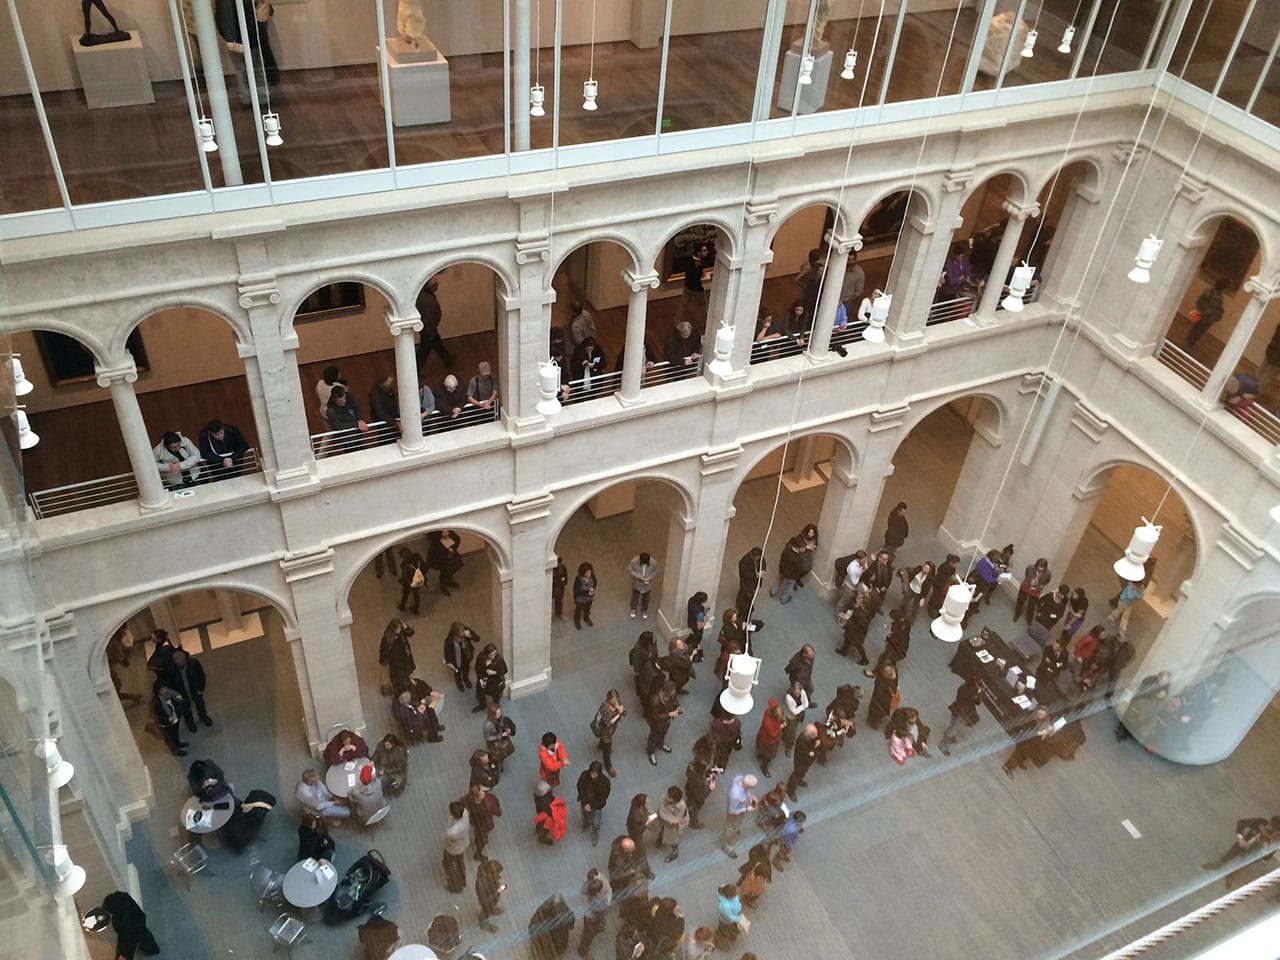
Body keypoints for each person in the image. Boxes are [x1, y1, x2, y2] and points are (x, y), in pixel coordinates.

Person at [83, 891, 160, 960]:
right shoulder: (122, 896)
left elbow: (124, 937)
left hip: (131, 930)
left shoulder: (120, 922)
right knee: (144, 934)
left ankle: (149, 948)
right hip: (139, 918)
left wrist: (122, 952)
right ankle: (153, 949)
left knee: (127, 950)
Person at [1201, 816, 1280, 870]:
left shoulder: (1276, 841)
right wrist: (1241, 838)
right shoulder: (1260, 822)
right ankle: (1218, 864)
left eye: (1272, 829)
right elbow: (1241, 823)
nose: (1268, 827)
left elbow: (1267, 858)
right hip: (1243, 844)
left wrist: (1267, 845)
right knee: (1229, 855)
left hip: (1253, 854)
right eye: (1269, 824)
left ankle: (1232, 874)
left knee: (1240, 865)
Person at [165, 649, 212, 731]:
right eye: (179, 665)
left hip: (195, 690)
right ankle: (189, 721)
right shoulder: (171, 671)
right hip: (182, 693)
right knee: (185, 708)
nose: (182, 666)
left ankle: (203, 715)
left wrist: (201, 689)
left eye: (183, 663)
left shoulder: (194, 664)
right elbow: (170, 684)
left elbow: (201, 676)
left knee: (200, 704)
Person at [770, 527, 817, 604]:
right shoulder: (798, 558)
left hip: (782, 570)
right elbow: (799, 568)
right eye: (802, 548)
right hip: (791, 576)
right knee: (789, 588)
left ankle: (773, 592)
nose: (803, 549)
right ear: (797, 548)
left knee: (778, 581)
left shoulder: (787, 549)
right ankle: (784, 599)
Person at [415, 276, 453, 369]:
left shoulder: (422, 295)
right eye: (435, 285)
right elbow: (430, 318)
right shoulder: (430, 301)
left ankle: (447, 360)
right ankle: (416, 369)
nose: (438, 285)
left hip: (426, 327)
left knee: (438, 345)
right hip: (428, 329)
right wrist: (431, 332)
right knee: (424, 350)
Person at [1185, 276, 1231, 353]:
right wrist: (1203, 312)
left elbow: (1202, 302)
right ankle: (1189, 345)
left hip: (1206, 316)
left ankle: (1190, 343)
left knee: (1197, 331)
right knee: (1197, 331)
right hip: (1205, 317)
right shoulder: (1214, 294)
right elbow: (1207, 305)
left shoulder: (1213, 293)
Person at [938, 677, 982, 756]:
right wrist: (977, 694)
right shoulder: (974, 692)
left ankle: (948, 736)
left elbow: (960, 698)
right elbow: (978, 702)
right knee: (954, 728)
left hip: (956, 708)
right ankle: (943, 746)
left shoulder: (962, 687)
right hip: (963, 712)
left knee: (953, 724)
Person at [529, 891, 577, 960]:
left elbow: (531, 927)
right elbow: (571, 924)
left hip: (543, 943)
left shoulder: (541, 913)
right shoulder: (563, 913)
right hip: (551, 945)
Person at [646, 681, 683, 765]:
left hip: (666, 721)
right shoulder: (654, 701)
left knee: (663, 733)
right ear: (664, 692)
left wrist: (678, 706)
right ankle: (651, 752)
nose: (672, 697)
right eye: (670, 695)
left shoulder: (672, 695)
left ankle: (660, 744)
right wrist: (669, 715)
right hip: (656, 723)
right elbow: (655, 717)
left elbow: (675, 701)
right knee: (653, 736)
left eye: (673, 695)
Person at [721, 773, 758, 859]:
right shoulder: (735, 795)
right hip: (735, 813)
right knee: (731, 828)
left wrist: (749, 796)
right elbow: (732, 810)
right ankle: (727, 846)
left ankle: (735, 829)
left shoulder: (740, 777)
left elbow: (745, 792)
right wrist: (746, 809)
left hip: (740, 808)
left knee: (737, 824)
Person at [576, 760, 611, 847]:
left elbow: (603, 797)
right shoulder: (584, 775)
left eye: (594, 774)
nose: (592, 776)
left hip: (596, 806)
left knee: (596, 822)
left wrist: (592, 806)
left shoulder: (605, 782)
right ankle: (586, 825)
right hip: (585, 801)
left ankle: (595, 835)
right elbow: (580, 787)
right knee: (584, 815)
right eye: (591, 773)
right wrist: (585, 802)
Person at [591, 688, 626, 776]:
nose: (615, 702)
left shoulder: (618, 703)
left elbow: (624, 713)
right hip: (604, 729)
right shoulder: (604, 707)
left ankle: (600, 745)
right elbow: (608, 723)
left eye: (617, 699)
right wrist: (619, 714)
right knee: (606, 748)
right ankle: (609, 767)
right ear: (608, 699)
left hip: (611, 729)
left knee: (607, 738)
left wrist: (620, 710)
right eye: (613, 700)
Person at [579, 867, 612, 957]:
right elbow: (584, 897)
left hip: (600, 910)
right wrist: (588, 913)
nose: (600, 878)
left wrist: (607, 903)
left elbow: (608, 891)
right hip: (592, 913)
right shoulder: (588, 887)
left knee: (599, 920)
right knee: (588, 934)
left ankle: (599, 926)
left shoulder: (601, 879)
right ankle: (582, 950)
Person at [378, 617, 416, 695]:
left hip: (405, 657)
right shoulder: (387, 638)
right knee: (398, 677)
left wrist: (407, 627)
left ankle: (405, 686)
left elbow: (411, 633)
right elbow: (383, 650)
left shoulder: (401, 632)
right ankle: (399, 689)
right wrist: (383, 661)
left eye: (400, 628)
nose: (399, 630)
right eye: (397, 629)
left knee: (405, 673)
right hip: (395, 661)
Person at [151, 683, 189, 756]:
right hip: (166, 723)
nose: (165, 691)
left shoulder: (171, 694)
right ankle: (175, 750)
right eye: (162, 690)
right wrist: (167, 719)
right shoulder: (156, 701)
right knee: (170, 737)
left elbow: (178, 703)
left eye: (165, 688)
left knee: (175, 733)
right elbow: (156, 715)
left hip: (175, 718)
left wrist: (179, 699)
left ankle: (178, 743)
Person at [837, 590, 874, 664]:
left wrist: (847, 620)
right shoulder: (861, 610)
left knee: (858, 646)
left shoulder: (862, 615)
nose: (859, 599)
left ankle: (865, 659)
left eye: (861, 599)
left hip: (857, 633)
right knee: (847, 638)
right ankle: (844, 651)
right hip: (852, 630)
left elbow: (859, 626)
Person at [656, 785, 690, 862]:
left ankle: (675, 851)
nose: (666, 797)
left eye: (669, 796)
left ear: (673, 799)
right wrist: (669, 819)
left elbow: (678, 819)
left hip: (676, 824)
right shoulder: (664, 797)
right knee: (661, 830)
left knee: (673, 838)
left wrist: (670, 820)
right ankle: (660, 840)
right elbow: (661, 811)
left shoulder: (681, 805)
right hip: (667, 820)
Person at [1013, 558, 1052, 624]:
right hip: (1026, 587)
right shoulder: (1030, 568)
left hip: (1036, 590)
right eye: (1039, 566)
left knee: (1032, 606)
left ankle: (1029, 619)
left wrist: (1041, 585)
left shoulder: (1048, 573)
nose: (1040, 569)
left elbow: (1046, 581)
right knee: (1020, 601)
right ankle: (1017, 614)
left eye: (1042, 567)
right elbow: (1026, 574)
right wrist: (1029, 582)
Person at [786, 724, 819, 801]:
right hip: (800, 762)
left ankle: (799, 780)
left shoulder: (807, 736)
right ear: (809, 735)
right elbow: (807, 755)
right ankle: (790, 790)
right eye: (814, 735)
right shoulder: (802, 742)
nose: (816, 737)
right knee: (796, 774)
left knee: (803, 772)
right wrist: (815, 748)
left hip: (805, 762)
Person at [754, 698, 784, 778]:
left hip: (762, 735)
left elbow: (771, 700)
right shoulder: (768, 723)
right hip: (768, 740)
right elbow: (773, 734)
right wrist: (781, 727)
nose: (781, 719)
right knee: (769, 755)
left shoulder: (771, 709)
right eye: (780, 717)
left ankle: (760, 754)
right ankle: (764, 766)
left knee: (762, 749)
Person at [684, 756, 716, 830]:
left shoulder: (692, 766)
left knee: (690, 802)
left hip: (689, 790)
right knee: (695, 809)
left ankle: (688, 805)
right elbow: (700, 795)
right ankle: (693, 823)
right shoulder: (698, 781)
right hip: (696, 797)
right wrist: (710, 789)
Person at [473, 643, 508, 712]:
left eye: (494, 654)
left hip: (495, 682)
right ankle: (482, 705)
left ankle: (495, 709)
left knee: (496, 697)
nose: (493, 656)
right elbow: (478, 668)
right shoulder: (481, 657)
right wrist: (480, 679)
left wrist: (494, 672)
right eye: (491, 655)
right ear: (486, 654)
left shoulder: (499, 659)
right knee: (480, 692)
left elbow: (504, 670)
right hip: (484, 680)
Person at [737, 843, 773, 909]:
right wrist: (754, 893)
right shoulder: (755, 880)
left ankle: (745, 897)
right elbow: (752, 887)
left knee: (745, 880)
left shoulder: (757, 866)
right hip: (752, 891)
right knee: (751, 895)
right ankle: (748, 901)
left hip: (751, 884)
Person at [444, 620, 476, 692]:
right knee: (457, 673)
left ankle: (466, 679)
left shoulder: (466, 633)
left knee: (466, 670)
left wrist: (470, 635)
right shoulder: (449, 641)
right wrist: (449, 662)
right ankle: (459, 683)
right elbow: (447, 653)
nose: (462, 634)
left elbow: (477, 638)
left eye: (463, 632)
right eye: (460, 633)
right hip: (456, 660)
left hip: (466, 657)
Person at [475, 858, 506, 932]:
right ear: (490, 875)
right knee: (486, 911)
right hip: (487, 901)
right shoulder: (481, 884)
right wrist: (499, 890)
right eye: (496, 874)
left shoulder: (489, 870)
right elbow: (486, 900)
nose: (498, 876)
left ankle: (491, 909)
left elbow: (501, 882)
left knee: (491, 906)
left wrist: (502, 884)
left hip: (492, 896)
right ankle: (483, 924)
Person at [533, 780, 568, 845]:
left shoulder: (539, 796)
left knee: (541, 824)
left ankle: (538, 830)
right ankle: (542, 838)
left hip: (542, 813)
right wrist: (553, 814)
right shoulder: (544, 800)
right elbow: (547, 809)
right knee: (544, 828)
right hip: (546, 815)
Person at [866, 662, 898, 730]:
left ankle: (877, 717)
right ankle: (872, 721)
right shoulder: (880, 684)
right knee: (877, 712)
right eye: (891, 674)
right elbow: (879, 696)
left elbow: (895, 683)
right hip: (879, 702)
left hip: (886, 699)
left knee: (882, 711)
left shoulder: (893, 673)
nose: (894, 675)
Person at [781, 680, 810, 758]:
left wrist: (801, 707)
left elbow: (806, 703)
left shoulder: (802, 691)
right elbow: (794, 711)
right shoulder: (788, 697)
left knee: (790, 727)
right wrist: (802, 706)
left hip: (799, 715)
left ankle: (784, 735)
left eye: (799, 692)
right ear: (792, 690)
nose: (798, 694)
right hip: (791, 717)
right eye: (796, 693)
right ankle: (789, 747)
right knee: (792, 733)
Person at [736, 547, 766, 618]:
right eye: (758, 557)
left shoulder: (759, 558)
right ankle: (740, 605)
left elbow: (763, 563)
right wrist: (756, 575)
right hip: (746, 582)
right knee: (743, 593)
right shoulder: (744, 561)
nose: (759, 559)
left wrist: (763, 570)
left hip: (755, 581)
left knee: (751, 592)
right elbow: (744, 573)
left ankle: (748, 601)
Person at [628, 552, 659, 619]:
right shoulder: (634, 561)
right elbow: (630, 569)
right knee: (634, 598)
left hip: (647, 585)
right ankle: (633, 610)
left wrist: (650, 577)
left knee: (646, 599)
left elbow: (655, 572)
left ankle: (644, 611)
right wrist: (638, 576)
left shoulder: (654, 563)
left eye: (646, 564)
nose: (644, 565)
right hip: (637, 583)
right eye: (642, 564)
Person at [395, 547, 425, 615]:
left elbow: (405, 577)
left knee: (405, 594)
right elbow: (424, 566)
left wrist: (401, 581)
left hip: (409, 584)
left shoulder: (405, 565)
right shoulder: (418, 557)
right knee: (416, 596)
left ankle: (402, 606)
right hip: (418, 581)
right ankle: (416, 609)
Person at [713, 883, 743, 951]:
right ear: (730, 897)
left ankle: (721, 933)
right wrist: (738, 919)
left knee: (725, 928)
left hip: (730, 917)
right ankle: (720, 940)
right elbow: (729, 917)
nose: (737, 892)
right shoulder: (726, 906)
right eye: (736, 893)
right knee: (726, 929)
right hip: (727, 921)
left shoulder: (723, 888)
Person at [686, 591, 710, 661]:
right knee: (695, 642)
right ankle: (693, 655)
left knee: (692, 636)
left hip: (690, 622)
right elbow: (699, 626)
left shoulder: (691, 600)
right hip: (697, 630)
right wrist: (706, 619)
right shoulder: (699, 614)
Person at [573, 562, 597, 629]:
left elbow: (595, 583)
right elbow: (577, 591)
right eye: (587, 573)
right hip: (580, 599)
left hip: (589, 598)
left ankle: (586, 618)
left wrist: (593, 588)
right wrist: (587, 592)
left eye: (590, 572)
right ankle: (577, 620)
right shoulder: (579, 579)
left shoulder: (592, 576)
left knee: (587, 609)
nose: (589, 574)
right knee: (579, 610)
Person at [552, 555, 569, 621]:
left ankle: (559, 613)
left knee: (559, 601)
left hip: (559, 588)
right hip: (551, 588)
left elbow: (565, 576)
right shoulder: (551, 569)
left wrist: (563, 581)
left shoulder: (562, 567)